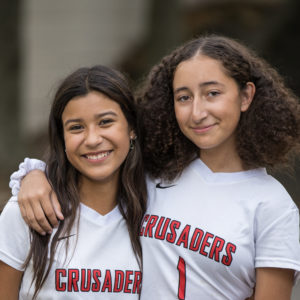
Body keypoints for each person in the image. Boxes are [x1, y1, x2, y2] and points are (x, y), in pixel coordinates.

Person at [8, 35, 300, 299]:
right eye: (184, 97)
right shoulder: (154, 174)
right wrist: (33, 174)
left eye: (213, 93)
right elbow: (95, 157)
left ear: (246, 96)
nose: (198, 112)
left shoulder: (274, 207)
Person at [0, 65, 147, 299]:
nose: (92, 139)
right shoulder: (26, 212)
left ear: (131, 129)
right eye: (76, 127)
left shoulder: (156, 211)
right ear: (62, 138)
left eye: (106, 122)